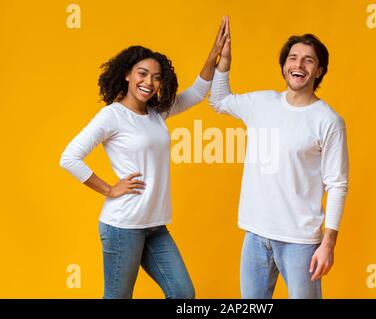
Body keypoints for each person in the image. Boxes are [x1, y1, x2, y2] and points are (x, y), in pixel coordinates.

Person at [60, 18, 229, 299]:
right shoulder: (112, 115)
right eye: (142, 73)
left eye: (156, 77)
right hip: (123, 226)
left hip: (154, 225)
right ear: (127, 75)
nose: (149, 82)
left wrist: (214, 54)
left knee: (183, 294)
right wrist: (110, 189)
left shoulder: (156, 112)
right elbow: (69, 157)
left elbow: (199, 92)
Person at [209, 19, 349, 299]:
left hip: (301, 241)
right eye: (293, 58)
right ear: (285, 65)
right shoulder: (262, 103)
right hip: (255, 235)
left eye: (308, 61)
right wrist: (224, 63)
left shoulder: (329, 121)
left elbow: (337, 184)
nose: (299, 65)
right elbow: (219, 101)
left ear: (319, 70)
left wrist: (328, 243)